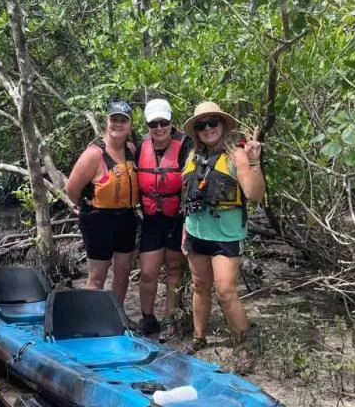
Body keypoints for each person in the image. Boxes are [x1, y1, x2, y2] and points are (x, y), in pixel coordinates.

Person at [180, 101, 264, 374]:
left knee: (226, 291)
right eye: (201, 125)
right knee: (198, 285)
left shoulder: (235, 155)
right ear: (196, 131)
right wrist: (184, 231)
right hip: (196, 232)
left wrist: (254, 160)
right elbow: (188, 197)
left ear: (222, 125)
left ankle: (242, 345)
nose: (208, 129)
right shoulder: (192, 156)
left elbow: (254, 194)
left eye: (212, 122)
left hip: (225, 235)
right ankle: (199, 337)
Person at [65, 100, 139, 305]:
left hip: (126, 218)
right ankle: (92, 320)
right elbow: (72, 188)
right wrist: (83, 205)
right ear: (107, 121)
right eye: (113, 119)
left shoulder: (131, 149)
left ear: (130, 125)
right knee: (97, 277)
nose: (117, 124)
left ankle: (117, 316)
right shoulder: (93, 154)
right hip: (98, 220)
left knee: (123, 273)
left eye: (123, 120)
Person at [135, 98, 193, 340]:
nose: (159, 128)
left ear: (171, 122)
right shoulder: (139, 147)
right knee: (148, 272)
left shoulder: (186, 145)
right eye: (153, 124)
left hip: (175, 217)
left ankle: (170, 319)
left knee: (173, 268)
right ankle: (148, 318)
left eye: (164, 122)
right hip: (150, 217)